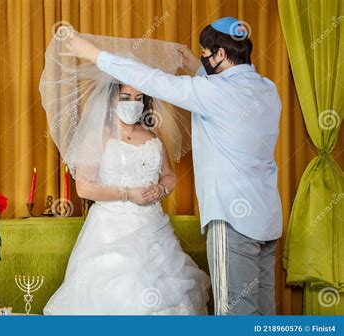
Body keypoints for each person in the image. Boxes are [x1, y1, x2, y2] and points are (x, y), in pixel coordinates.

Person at [70, 17, 282, 315]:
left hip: (233, 218)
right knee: (263, 309)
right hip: (267, 217)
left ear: (220, 55)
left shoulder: (212, 94)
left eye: (206, 54)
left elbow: (151, 79)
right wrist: (197, 65)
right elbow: (224, 92)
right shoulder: (267, 90)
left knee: (236, 311)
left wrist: (94, 54)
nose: (204, 59)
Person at [42, 82, 210, 315]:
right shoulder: (97, 136)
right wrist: (127, 194)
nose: (134, 103)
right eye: (126, 97)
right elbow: (83, 188)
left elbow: (169, 176)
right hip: (111, 229)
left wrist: (160, 189)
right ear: (111, 99)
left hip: (154, 229)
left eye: (139, 97)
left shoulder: (153, 135)